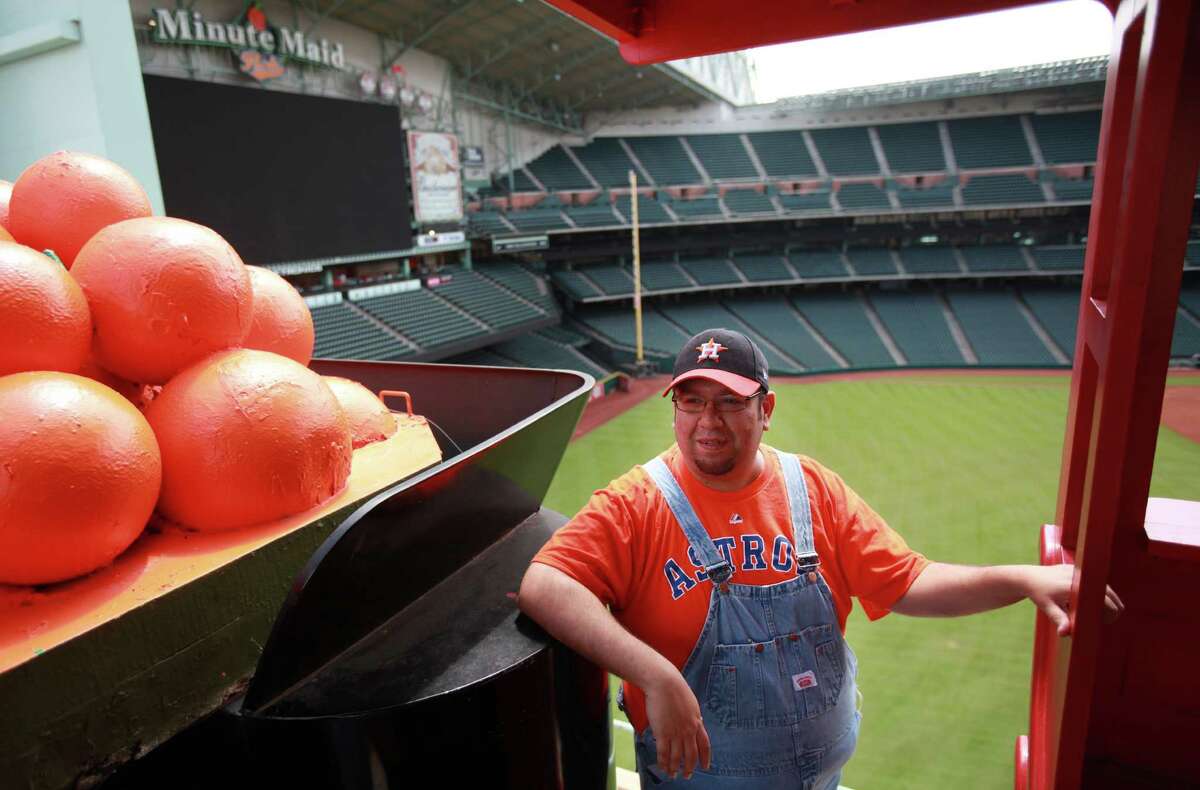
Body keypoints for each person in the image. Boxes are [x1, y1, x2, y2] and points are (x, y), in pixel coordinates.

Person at [518, 328, 1123, 789]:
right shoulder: (637, 503)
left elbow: (907, 582)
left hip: (818, 775)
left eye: (729, 403)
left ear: (766, 409)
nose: (708, 422)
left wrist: (1020, 577)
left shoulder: (811, 489)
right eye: (691, 402)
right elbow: (545, 584)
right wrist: (655, 674)